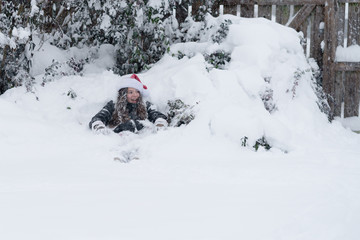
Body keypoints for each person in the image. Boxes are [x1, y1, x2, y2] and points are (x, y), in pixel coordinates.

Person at [89, 74, 168, 134]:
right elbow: (100, 117)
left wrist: (160, 122)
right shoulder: (113, 105)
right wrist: (98, 126)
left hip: (141, 140)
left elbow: (155, 114)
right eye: (130, 92)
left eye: (137, 91)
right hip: (118, 139)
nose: (135, 95)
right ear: (123, 94)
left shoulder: (144, 104)